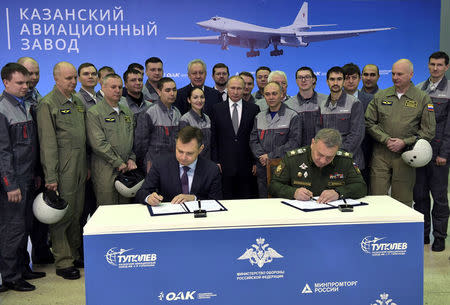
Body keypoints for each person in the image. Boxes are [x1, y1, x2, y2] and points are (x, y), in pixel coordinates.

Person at [37, 62, 87, 280]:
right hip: (62, 168)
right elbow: (47, 144)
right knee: (62, 216)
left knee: (76, 213)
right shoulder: (47, 104)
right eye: (69, 78)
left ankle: (74, 254)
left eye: (75, 77)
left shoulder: (76, 101)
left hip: (79, 166)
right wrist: (51, 177)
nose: (73, 82)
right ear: (56, 79)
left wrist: (85, 167)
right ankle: (63, 261)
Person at [365, 59, 436, 206]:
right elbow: (369, 122)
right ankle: (377, 229)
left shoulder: (422, 98)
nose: (395, 77)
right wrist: (385, 139)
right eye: (393, 74)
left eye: (400, 74)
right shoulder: (381, 96)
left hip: (406, 156)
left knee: (402, 203)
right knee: (376, 200)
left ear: (411, 74)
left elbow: (429, 131)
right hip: (381, 155)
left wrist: (405, 142)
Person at [0, 63, 43, 292]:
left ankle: (23, 268)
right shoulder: (2, 109)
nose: (25, 87)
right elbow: (3, 153)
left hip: (28, 178)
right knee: (12, 230)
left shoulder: (24, 105)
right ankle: (10, 277)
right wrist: (10, 185)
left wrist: (35, 173)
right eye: (19, 83)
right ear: (6, 82)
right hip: (13, 183)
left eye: (27, 83)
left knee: (25, 227)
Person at [17, 57, 54, 265]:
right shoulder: (13, 103)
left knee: (41, 215)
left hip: (40, 165)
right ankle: (18, 268)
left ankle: (41, 254)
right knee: (21, 222)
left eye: (37, 73)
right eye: (29, 73)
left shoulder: (40, 98)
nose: (33, 78)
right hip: (22, 169)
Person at [414, 51, 450, 251]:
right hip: (420, 153)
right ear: (428, 66)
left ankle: (439, 236)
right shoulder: (420, 88)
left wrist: (444, 153)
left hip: (439, 155)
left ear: (446, 67)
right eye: (432, 64)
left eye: (439, 65)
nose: (435, 68)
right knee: (419, 196)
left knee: (439, 197)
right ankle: (423, 235)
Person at [269, 128, 367, 202]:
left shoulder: (344, 160)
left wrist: (338, 193)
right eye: (319, 154)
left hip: (333, 214)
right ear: (312, 143)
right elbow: (273, 186)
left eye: (329, 157)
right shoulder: (293, 159)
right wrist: (293, 192)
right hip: (299, 214)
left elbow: (361, 187)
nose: (323, 161)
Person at [136, 126, 222, 205]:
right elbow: (142, 192)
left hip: (199, 219)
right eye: (180, 151)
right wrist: (149, 198)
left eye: (189, 153)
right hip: (169, 217)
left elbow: (216, 201)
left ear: (200, 149)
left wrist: (194, 199)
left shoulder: (212, 170)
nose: (183, 157)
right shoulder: (161, 164)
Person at [86, 74, 136, 205]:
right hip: (105, 169)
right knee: (107, 209)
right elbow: (98, 143)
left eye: (120, 87)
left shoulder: (127, 112)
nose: (117, 90)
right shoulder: (94, 113)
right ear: (103, 87)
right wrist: (117, 162)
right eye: (113, 87)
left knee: (125, 209)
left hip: (126, 168)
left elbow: (131, 140)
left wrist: (132, 158)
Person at [210, 76, 260, 199]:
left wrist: (255, 161)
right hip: (224, 165)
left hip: (247, 165)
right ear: (227, 88)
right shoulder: (217, 109)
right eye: (232, 88)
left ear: (244, 90)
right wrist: (215, 161)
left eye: (239, 88)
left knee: (246, 201)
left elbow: (256, 138)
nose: (236, 92)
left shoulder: (254, 109)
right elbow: (214, 138)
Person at [250, 82, 301, 197]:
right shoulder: (259, 117)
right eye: (267, 94)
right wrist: (261, 156)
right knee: (264, 203)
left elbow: (294, 143)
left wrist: (271, 156)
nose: (271, 97)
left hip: (284, 168)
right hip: (263, 168)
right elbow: (253, 140)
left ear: (282, 94)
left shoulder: (293, 116)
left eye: (274, 94)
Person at [320, 66, 365, 169]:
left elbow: (357, 134)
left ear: (344, 81)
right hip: (327, 160)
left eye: (339, 79)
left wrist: (338, 154)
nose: (335, 83)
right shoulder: (322, 105)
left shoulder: (355, 103)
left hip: (350, 161)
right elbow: (319, 133)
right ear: (327, 81)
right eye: (332, 79)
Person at [134, 77, 181, 172]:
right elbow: (140, 145)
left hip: (173, 164)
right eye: (167, 90)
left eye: (174, 90)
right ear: (159, 92)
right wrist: (143, 164)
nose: (172, 93)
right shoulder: (149, 112)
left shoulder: (177, 112)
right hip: (153, 166)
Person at [285, 66, 325, 147]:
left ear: (313, 80)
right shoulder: (288, 105)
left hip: (321, 151)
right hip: (297, 153)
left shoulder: (325, 101)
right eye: (300, 77)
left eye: (307, 77)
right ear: (296, 81)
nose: (303, 80)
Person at [179, 87, 211, 159]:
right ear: (189, 100)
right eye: (195, 97)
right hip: (193, 160)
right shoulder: (185, 119)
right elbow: (185, 144)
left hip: (208, 160)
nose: (199, 100)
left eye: (202, 97)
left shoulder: (207, 118)